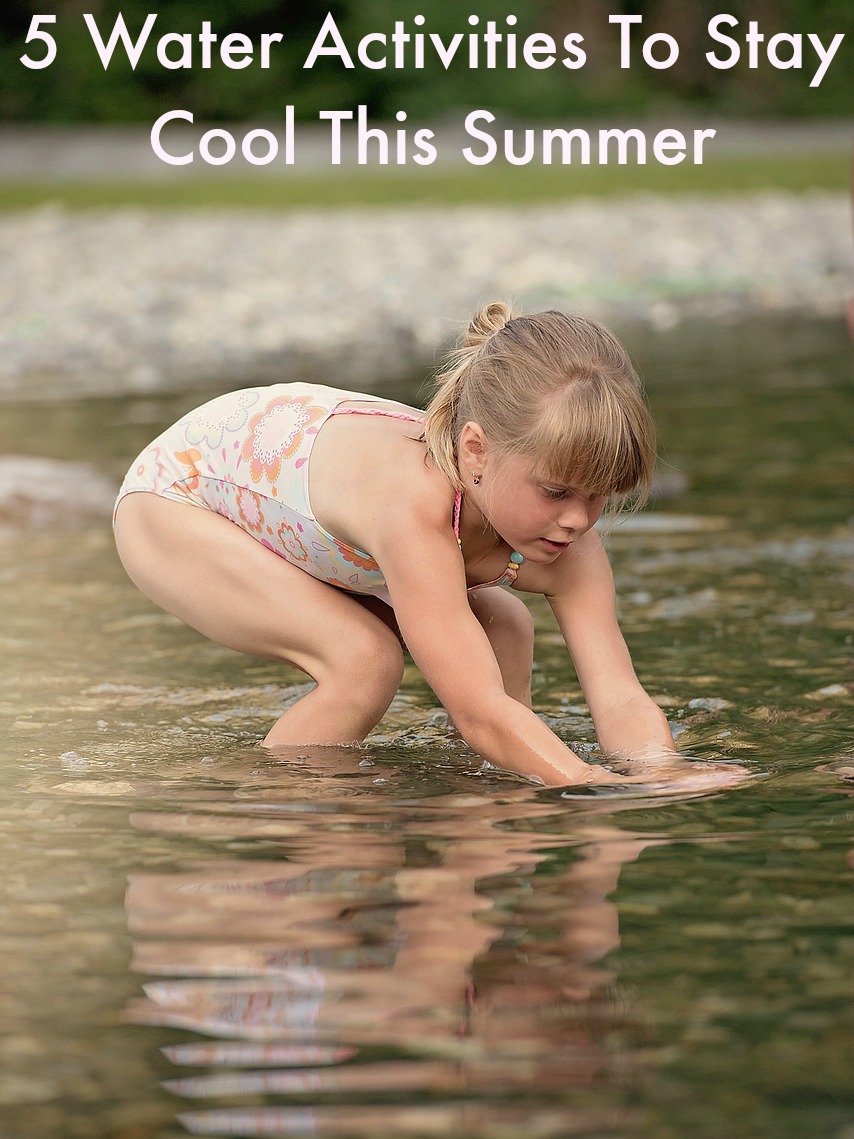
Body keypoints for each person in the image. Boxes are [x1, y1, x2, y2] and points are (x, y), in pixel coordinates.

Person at [113, 302, 743, 789]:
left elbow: (621, 696)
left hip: (307, 522)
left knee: (503, 625)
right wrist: (587, 785)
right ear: (476, 450)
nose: (579, 520)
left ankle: (480, 794)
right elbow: (479, 710)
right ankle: (276, 807)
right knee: (363, 662)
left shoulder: (569, 542)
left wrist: (661, 771)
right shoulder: (414, 509)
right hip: (180, 500)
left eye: (598, 495)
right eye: (555, 492)